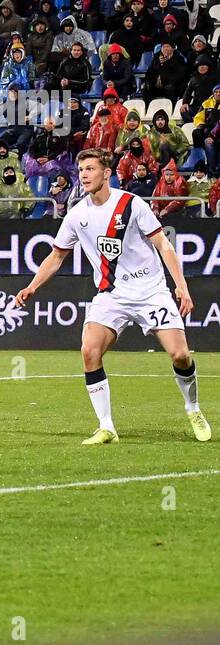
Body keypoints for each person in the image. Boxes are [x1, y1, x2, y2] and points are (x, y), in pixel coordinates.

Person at [14, 148, 210, 445]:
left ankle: (193, 409)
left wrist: (180, 285)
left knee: (180, 355)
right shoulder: (77, 214)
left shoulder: (132, 204)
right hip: (111, 294)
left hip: (150, 291)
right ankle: (106, 426)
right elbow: (56, 256)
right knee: (89, 352)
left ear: (107, 173)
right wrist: (32, 286)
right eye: (81, 170)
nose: (84, 175)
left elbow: (163, 245)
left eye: (90, 169)